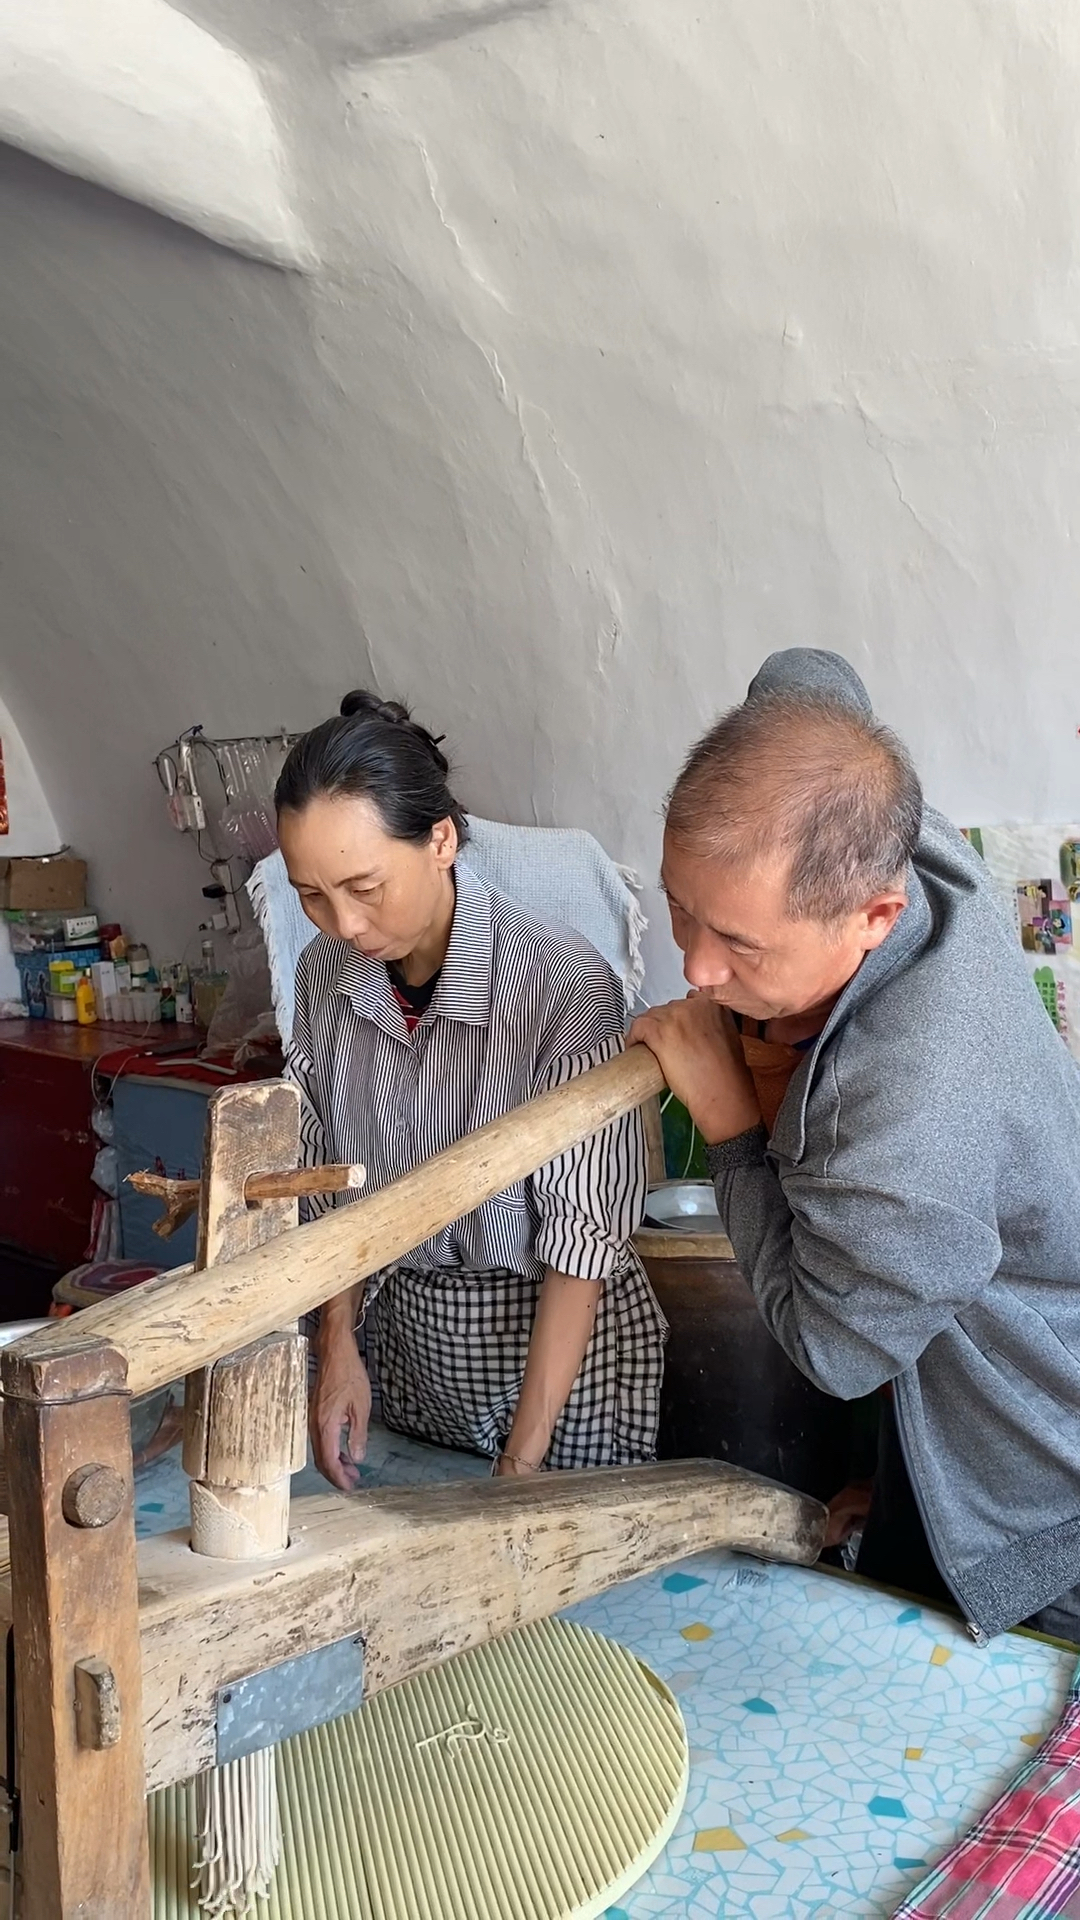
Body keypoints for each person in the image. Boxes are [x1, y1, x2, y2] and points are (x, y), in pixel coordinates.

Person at [631, 648, 1080, 1644]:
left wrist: (729, 1130)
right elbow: (805, 674)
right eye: (680, 908)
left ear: (875, 915)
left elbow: (833, 1352)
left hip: (1045, 1475)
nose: (695, 968)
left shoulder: (904, 1114)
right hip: (968, 1358)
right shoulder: (891, 822)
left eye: (740, 944)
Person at [275, 690, 666, 1488]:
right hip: (408, 1346)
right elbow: (330, 1188)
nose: (343, 924)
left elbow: (581, 1243)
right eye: (311, 894)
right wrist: (338, 1345)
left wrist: (521, 1462)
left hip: (556, 1367)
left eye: (364, 887)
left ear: (442, 840)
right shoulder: (323, 978)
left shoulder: (562, 985)